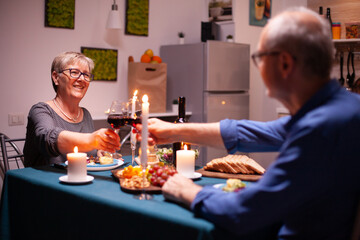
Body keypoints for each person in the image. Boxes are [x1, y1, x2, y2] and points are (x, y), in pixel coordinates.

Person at [136, 7, 360, 239]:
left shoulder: (320, 128)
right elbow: (249, 133)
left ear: (284, 63)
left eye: (260, 58)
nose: (259, 67)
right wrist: (173, 131)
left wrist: (187, 190)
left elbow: (244, 212)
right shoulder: (341, 108)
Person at [24, 51, 120, 167]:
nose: (82, 79)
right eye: (74, 72)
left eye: (86, 75)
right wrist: (92, 140)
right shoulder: (40, 110)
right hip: (44, 183)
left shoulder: (85, 114)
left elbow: (86, 157)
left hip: (80, 182)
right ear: (56, 78)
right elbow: (48, 139)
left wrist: (99, 152)